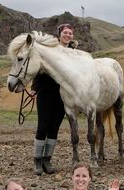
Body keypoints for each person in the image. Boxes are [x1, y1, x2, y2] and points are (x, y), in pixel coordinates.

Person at [30, 23, 78, 175]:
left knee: (54, 128)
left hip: (62, 94)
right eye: (65, 32)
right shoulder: (50, 49)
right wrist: (34, 87)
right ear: (60, 34)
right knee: (43, 126)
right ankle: (37, 161)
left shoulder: (73, 52)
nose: (68, 35)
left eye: (70, 33)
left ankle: (47, 160)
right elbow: (40, 68)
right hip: (45, 92)